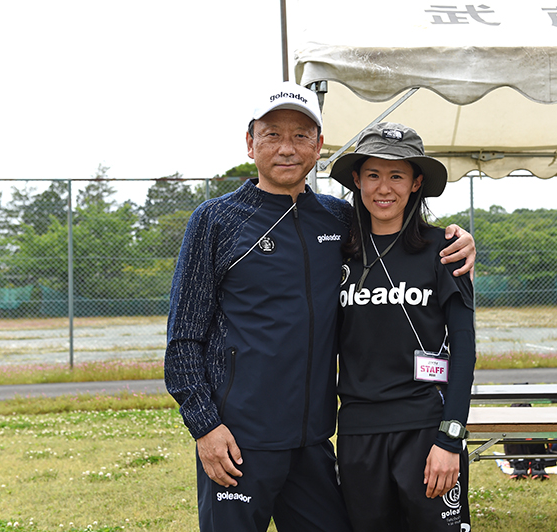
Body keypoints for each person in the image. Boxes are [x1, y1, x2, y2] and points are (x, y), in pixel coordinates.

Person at [164, 82, 476, 532]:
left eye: (301, 136)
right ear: (250, 143)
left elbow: (400, 224)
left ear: (319, 146)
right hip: (238, 440)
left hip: (314, 441)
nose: (286, 148)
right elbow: (183, 339)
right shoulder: (215, 220)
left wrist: (457, 238)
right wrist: (204, 427)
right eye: (272, 135)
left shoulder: (338, 219)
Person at [331, 122, 475, 531]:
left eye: (397, 175)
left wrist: (450, 438)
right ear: (357, 180)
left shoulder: (446, 250)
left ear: (416, 183)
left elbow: (464, 350)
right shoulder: (338, 254)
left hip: (426, 429)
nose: (384, 188)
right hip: (359, 433)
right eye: (373, 174)